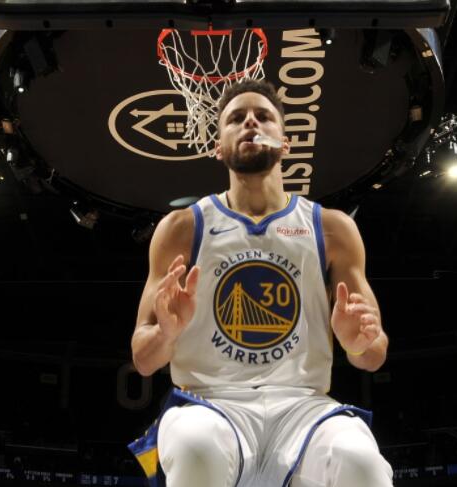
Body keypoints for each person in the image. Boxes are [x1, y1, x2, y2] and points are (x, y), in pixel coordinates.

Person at [129, 79, 393, 487]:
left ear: (285, 143)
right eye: (236, 118)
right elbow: (144, 360)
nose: (250, 122)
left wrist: (357, 342)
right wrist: (166, 333)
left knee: (359, 461)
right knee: (197, 448)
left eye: (263, 116)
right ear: (218, 147)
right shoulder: (182, 228)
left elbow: (373, 355)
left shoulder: (332, 228)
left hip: (303, 407)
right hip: (210, 403)